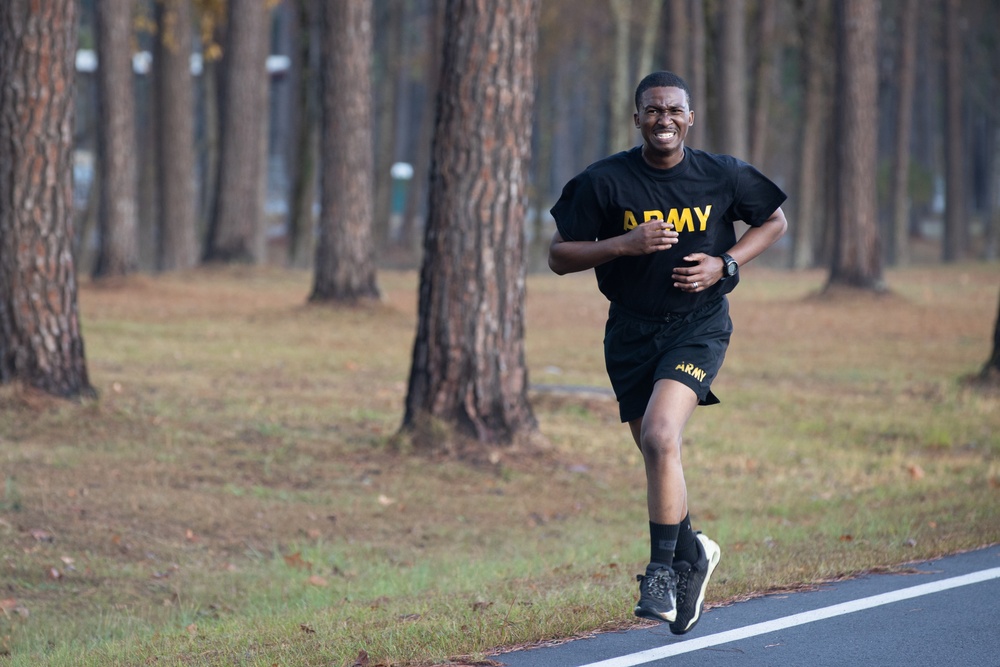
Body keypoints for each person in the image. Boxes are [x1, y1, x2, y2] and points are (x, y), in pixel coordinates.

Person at [548, 70, 787, 635]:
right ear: (637, 118)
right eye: (653, 111)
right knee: (656, 454)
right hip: (629, 332)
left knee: (660, 435)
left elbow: (773, 221)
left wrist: (725, 263)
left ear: (690, 117)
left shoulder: (721, 173)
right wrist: (623, 245)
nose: (664, 120)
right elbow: (558, 255)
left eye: (674, 110)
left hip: (697, 327)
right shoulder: (604, 181)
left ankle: (660, 573)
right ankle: (694, 553)